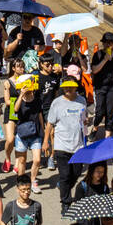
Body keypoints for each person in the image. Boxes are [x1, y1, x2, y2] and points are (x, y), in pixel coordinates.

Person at [45, 79, 89, 214]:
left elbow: (84, 119)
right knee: (65, 175)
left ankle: (64, 188)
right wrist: (46, 141)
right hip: (61, 144)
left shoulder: (82, 100)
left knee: (76, 173)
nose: (68, 90)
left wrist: (85, 126)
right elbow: (50, 123)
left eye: (71, 87)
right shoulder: (57, 103)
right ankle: (65, 202)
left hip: (78, 145)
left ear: (76, 88)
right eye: (65, 88)